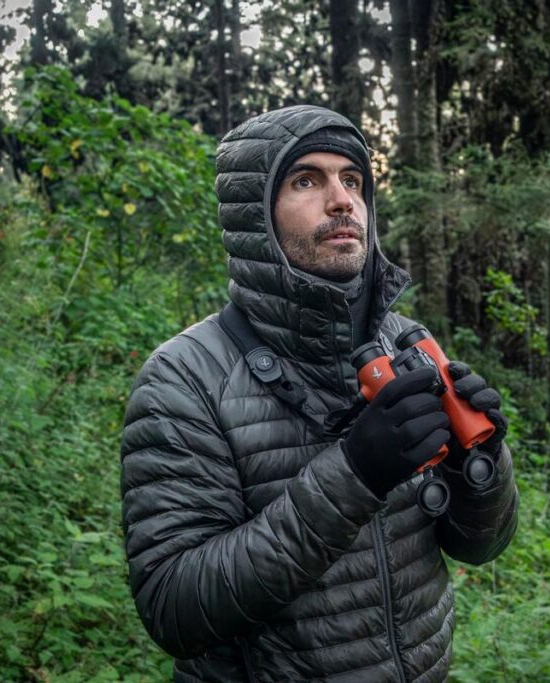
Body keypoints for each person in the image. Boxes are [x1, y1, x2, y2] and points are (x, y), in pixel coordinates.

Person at [120, 105, 519, 683]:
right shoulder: (185, 379)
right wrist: (354, 474)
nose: (342, 200)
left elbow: (481, 546)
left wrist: (478, 466)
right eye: (306, 179)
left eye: (352, 180)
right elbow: (174, 609)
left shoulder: (408, 343)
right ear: (255, 216)